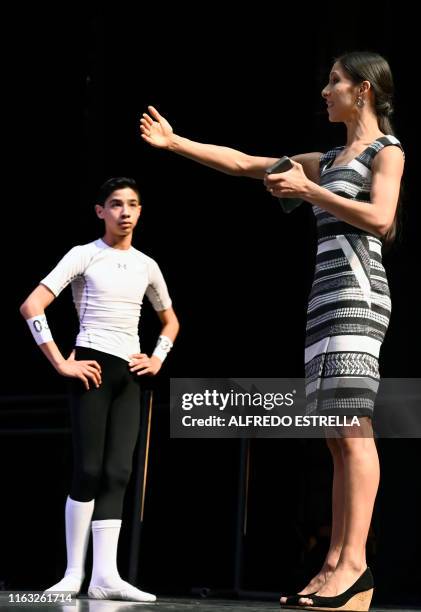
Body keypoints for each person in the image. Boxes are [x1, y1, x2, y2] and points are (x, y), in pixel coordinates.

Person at [140, 51, 404, 611]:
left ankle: (356, 564)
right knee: (334, 431)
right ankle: (335, 563)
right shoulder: (328, 157)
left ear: (363, 90)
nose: (325, 90)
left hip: (359, 294)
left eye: (334, 82)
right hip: (324, 298)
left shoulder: (388, 152)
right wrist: (176, 142)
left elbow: (381, 219)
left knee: (353, 427)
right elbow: (243, 163)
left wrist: (311, 192)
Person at [20, 177, 179, 603]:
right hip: (91, 366)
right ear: (100, 211)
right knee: (88, 469)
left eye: (132, 204)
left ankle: (106, 577)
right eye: (115, 204)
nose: (124, 212)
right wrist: (61, 362)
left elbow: (171, 320)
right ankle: (74, 573)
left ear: (140, 212)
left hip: (131, 373)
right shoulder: (83, 255)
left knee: (119, 472)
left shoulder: (147, 265)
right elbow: (32, 305)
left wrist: (158, 356)